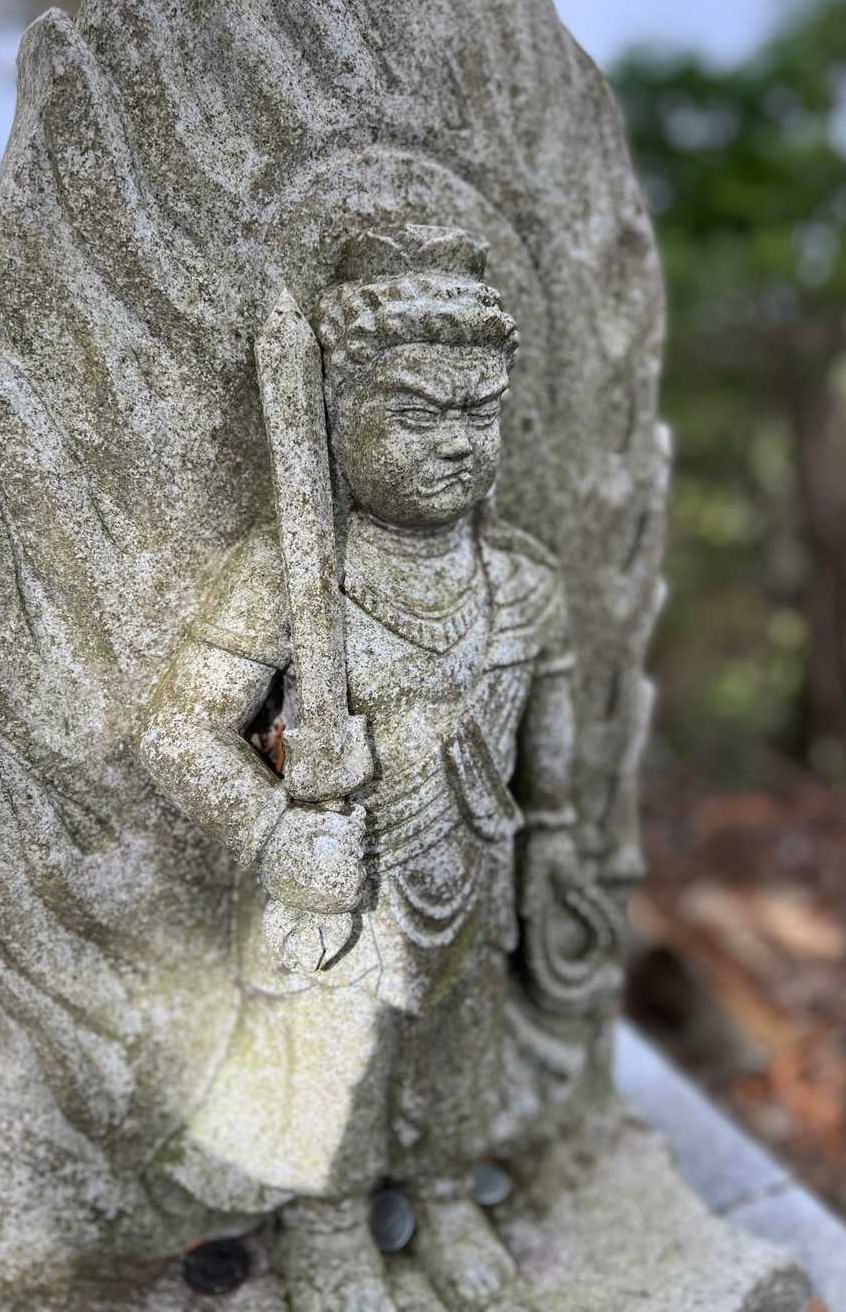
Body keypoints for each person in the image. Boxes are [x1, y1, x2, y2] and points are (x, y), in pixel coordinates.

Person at [140, 225, 589, 1312]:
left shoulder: (521, 587)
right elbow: (177, 730)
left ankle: (444, 1194)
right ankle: (331, 1222)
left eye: (479, 413)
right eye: (418, 414)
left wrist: (555, 844)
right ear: (338, 417)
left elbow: (550, 749)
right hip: (339, 885)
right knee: (334, 1054)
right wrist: (275, 829)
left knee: (458, 1043)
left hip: (474, 869)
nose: (456, 444)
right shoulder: (291, 581)